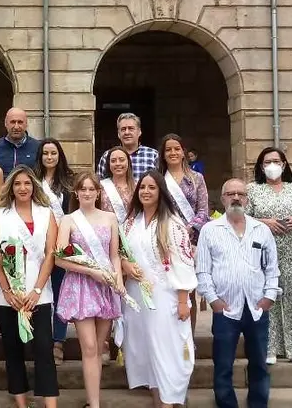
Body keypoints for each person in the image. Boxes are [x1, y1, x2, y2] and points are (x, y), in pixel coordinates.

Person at [196, 178, 281, 408]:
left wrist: (269, 297)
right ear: (222, 199)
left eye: (240, 194)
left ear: (247, 199)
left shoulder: (261, 230)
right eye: (230, 194)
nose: (235, 198)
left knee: (259, 363)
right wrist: (213, 300)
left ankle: (258, 403)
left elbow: (272, 268)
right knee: (223, 363)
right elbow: (203, 270)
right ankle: (226, 403)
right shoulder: (210, 230)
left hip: (256, 307)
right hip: (225, 308)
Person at [121, 170, 197, 407]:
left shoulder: (172, 224)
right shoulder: (130, 223)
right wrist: (125, 265)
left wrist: (183, 301)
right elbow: (120, 253)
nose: (146, 191)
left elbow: (184, 264)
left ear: (161, 192)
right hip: (136, 297)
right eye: (142, 187)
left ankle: (171, 400)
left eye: (152, 187)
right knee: (147, 350)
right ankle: (159, 400)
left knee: (168, 350)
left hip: (166, 297)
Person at [0, 165, 59, 408]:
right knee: (13, 350)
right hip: (7, 296)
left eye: (27, 183)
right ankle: (21, 402)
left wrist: (37, 290)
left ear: (34, 186)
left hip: (38, 293)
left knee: (44, 349)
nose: (22, 188)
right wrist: (8, 291)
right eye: (17, 183)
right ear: (11, 187)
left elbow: (51, 253)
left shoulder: (46, 213)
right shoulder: (0, 214)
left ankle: (50, 404)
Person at [55, 172, 123, 407]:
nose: (86, 193)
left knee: (99, 347)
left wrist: (118, 279)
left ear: (98, 192)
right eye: (82, 189)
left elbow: (114, 255)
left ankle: (94, 400)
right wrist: (91, 272)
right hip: (81, 286)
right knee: (90, 346)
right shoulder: (68, 220)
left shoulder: (110, 218)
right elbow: (60, 259)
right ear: (76, 193)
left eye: (91, 189)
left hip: (105, 287)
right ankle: (93, 404)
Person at [246, 147, 292, 366]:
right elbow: (242, 218)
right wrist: (265, 222)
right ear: (261, 166)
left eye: (276, 161)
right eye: (267, 162)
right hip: (262, 253)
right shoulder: (253, 190)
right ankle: (270, 347)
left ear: (284, 164)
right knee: (267, 299)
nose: (272, 165)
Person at [156, 133, 211, 329]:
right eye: (168, 149)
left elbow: (203, 210)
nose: (173, 152)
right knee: (165, 290)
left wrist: (189, 228)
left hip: (190, 241)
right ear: (163, 154)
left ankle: (189, 339)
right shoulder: (158, 180)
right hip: (163, 239)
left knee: (187, 291)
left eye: (176, 149)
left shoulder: (196, 178)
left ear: (183, 152)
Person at [34, 138, 74, 365]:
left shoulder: (68, 182)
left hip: (61, 245)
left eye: (53, 153)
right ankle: (40, 339)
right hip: (37, 245)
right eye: (45, 153)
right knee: (38, 291)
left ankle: (58, 340)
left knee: (60, 293)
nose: (49, 157)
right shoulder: (32, 180)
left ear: (60, 156)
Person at [96, 113, 158, 181]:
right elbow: (99, 183)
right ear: (118, 134)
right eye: (123, 129)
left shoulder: (153, 155)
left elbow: (161, 183)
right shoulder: (108, 156)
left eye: (131, 128)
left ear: (139, 131)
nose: (127, 132)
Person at [0, 107, 41, 178]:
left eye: (20, 122)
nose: (16, 127)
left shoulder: (38, 148)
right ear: (5, 124)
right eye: (12, 122)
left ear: (26, 124)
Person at [99, 146, 135, 224]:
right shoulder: (100, 186)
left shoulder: (138, 186)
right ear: (109, 164)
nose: (118, 163)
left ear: (128, 162)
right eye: (113, 161)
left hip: (133, 230)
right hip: (107, 229)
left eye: (122, 160)